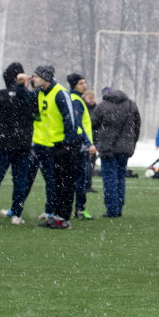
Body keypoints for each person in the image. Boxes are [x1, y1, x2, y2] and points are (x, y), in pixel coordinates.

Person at [0, 63, 35, 225]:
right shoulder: (30, 96)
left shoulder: (2, 95)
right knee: (20, 180)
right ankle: (16, 214)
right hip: (23, 144)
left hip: (3, 143)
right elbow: (37, 112)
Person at [29, 65, 82, 229]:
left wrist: (68, 143)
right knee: (56, 183)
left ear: (45, 78)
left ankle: (64, 219)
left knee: (65, 183)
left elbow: (70, 119)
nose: (33, 79)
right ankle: (55, 216)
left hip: (64, 145)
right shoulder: (40, 93)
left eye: (36, 76)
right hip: (50, 146)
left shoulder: (60, 93)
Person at [90, 86, 141, 218]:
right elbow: (137, 127)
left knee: (109, 178)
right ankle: (118, 207)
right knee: (120, 177)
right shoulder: (131, 105)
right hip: (125, 148)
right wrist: (132, 144)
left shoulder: (102, 106)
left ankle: (111, 209)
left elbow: (92, 123)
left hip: (108, 148)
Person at [66, 73, 97, 220]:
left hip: (75, 145)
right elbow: (77, 125)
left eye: (84, 83)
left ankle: (67, 209)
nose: (84, 86)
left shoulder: (73, 98)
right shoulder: (76, 101)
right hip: (79, 146)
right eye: (81, 83)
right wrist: (88, 143)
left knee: (73, 179)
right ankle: (80, 209)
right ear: (74, 85)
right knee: (80, 179)